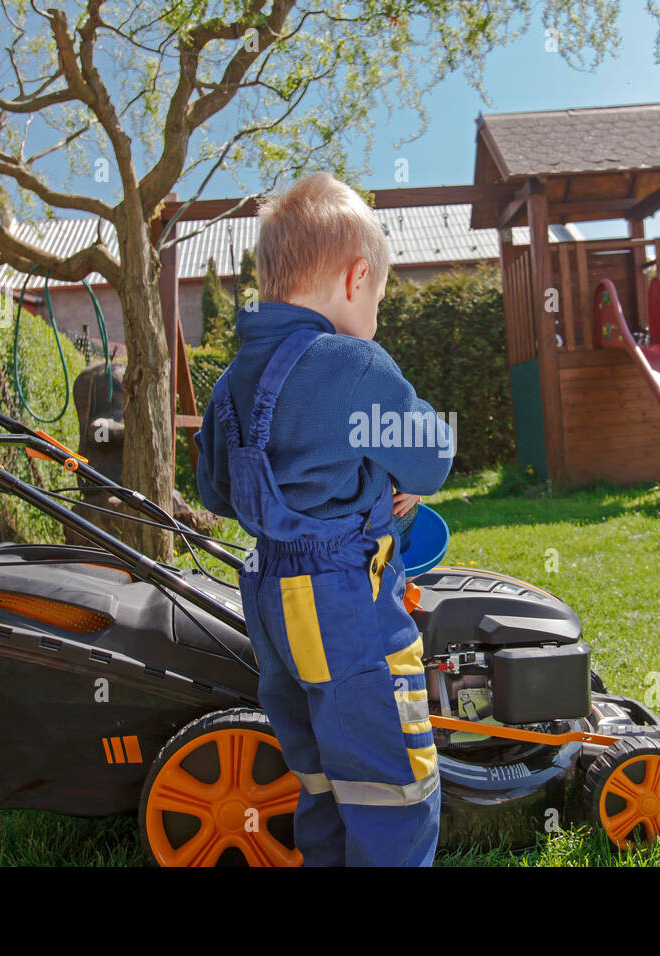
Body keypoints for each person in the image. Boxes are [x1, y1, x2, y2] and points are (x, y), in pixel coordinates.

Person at [193, 172, 454, 866]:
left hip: (272, 604)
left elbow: (217, 489)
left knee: (320, 774)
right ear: (355, 277)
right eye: (378, 299)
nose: (377, 316)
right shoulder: (353, 365)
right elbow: (429, 460)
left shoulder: (231, 383)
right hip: (346, 604)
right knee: (394, 781)